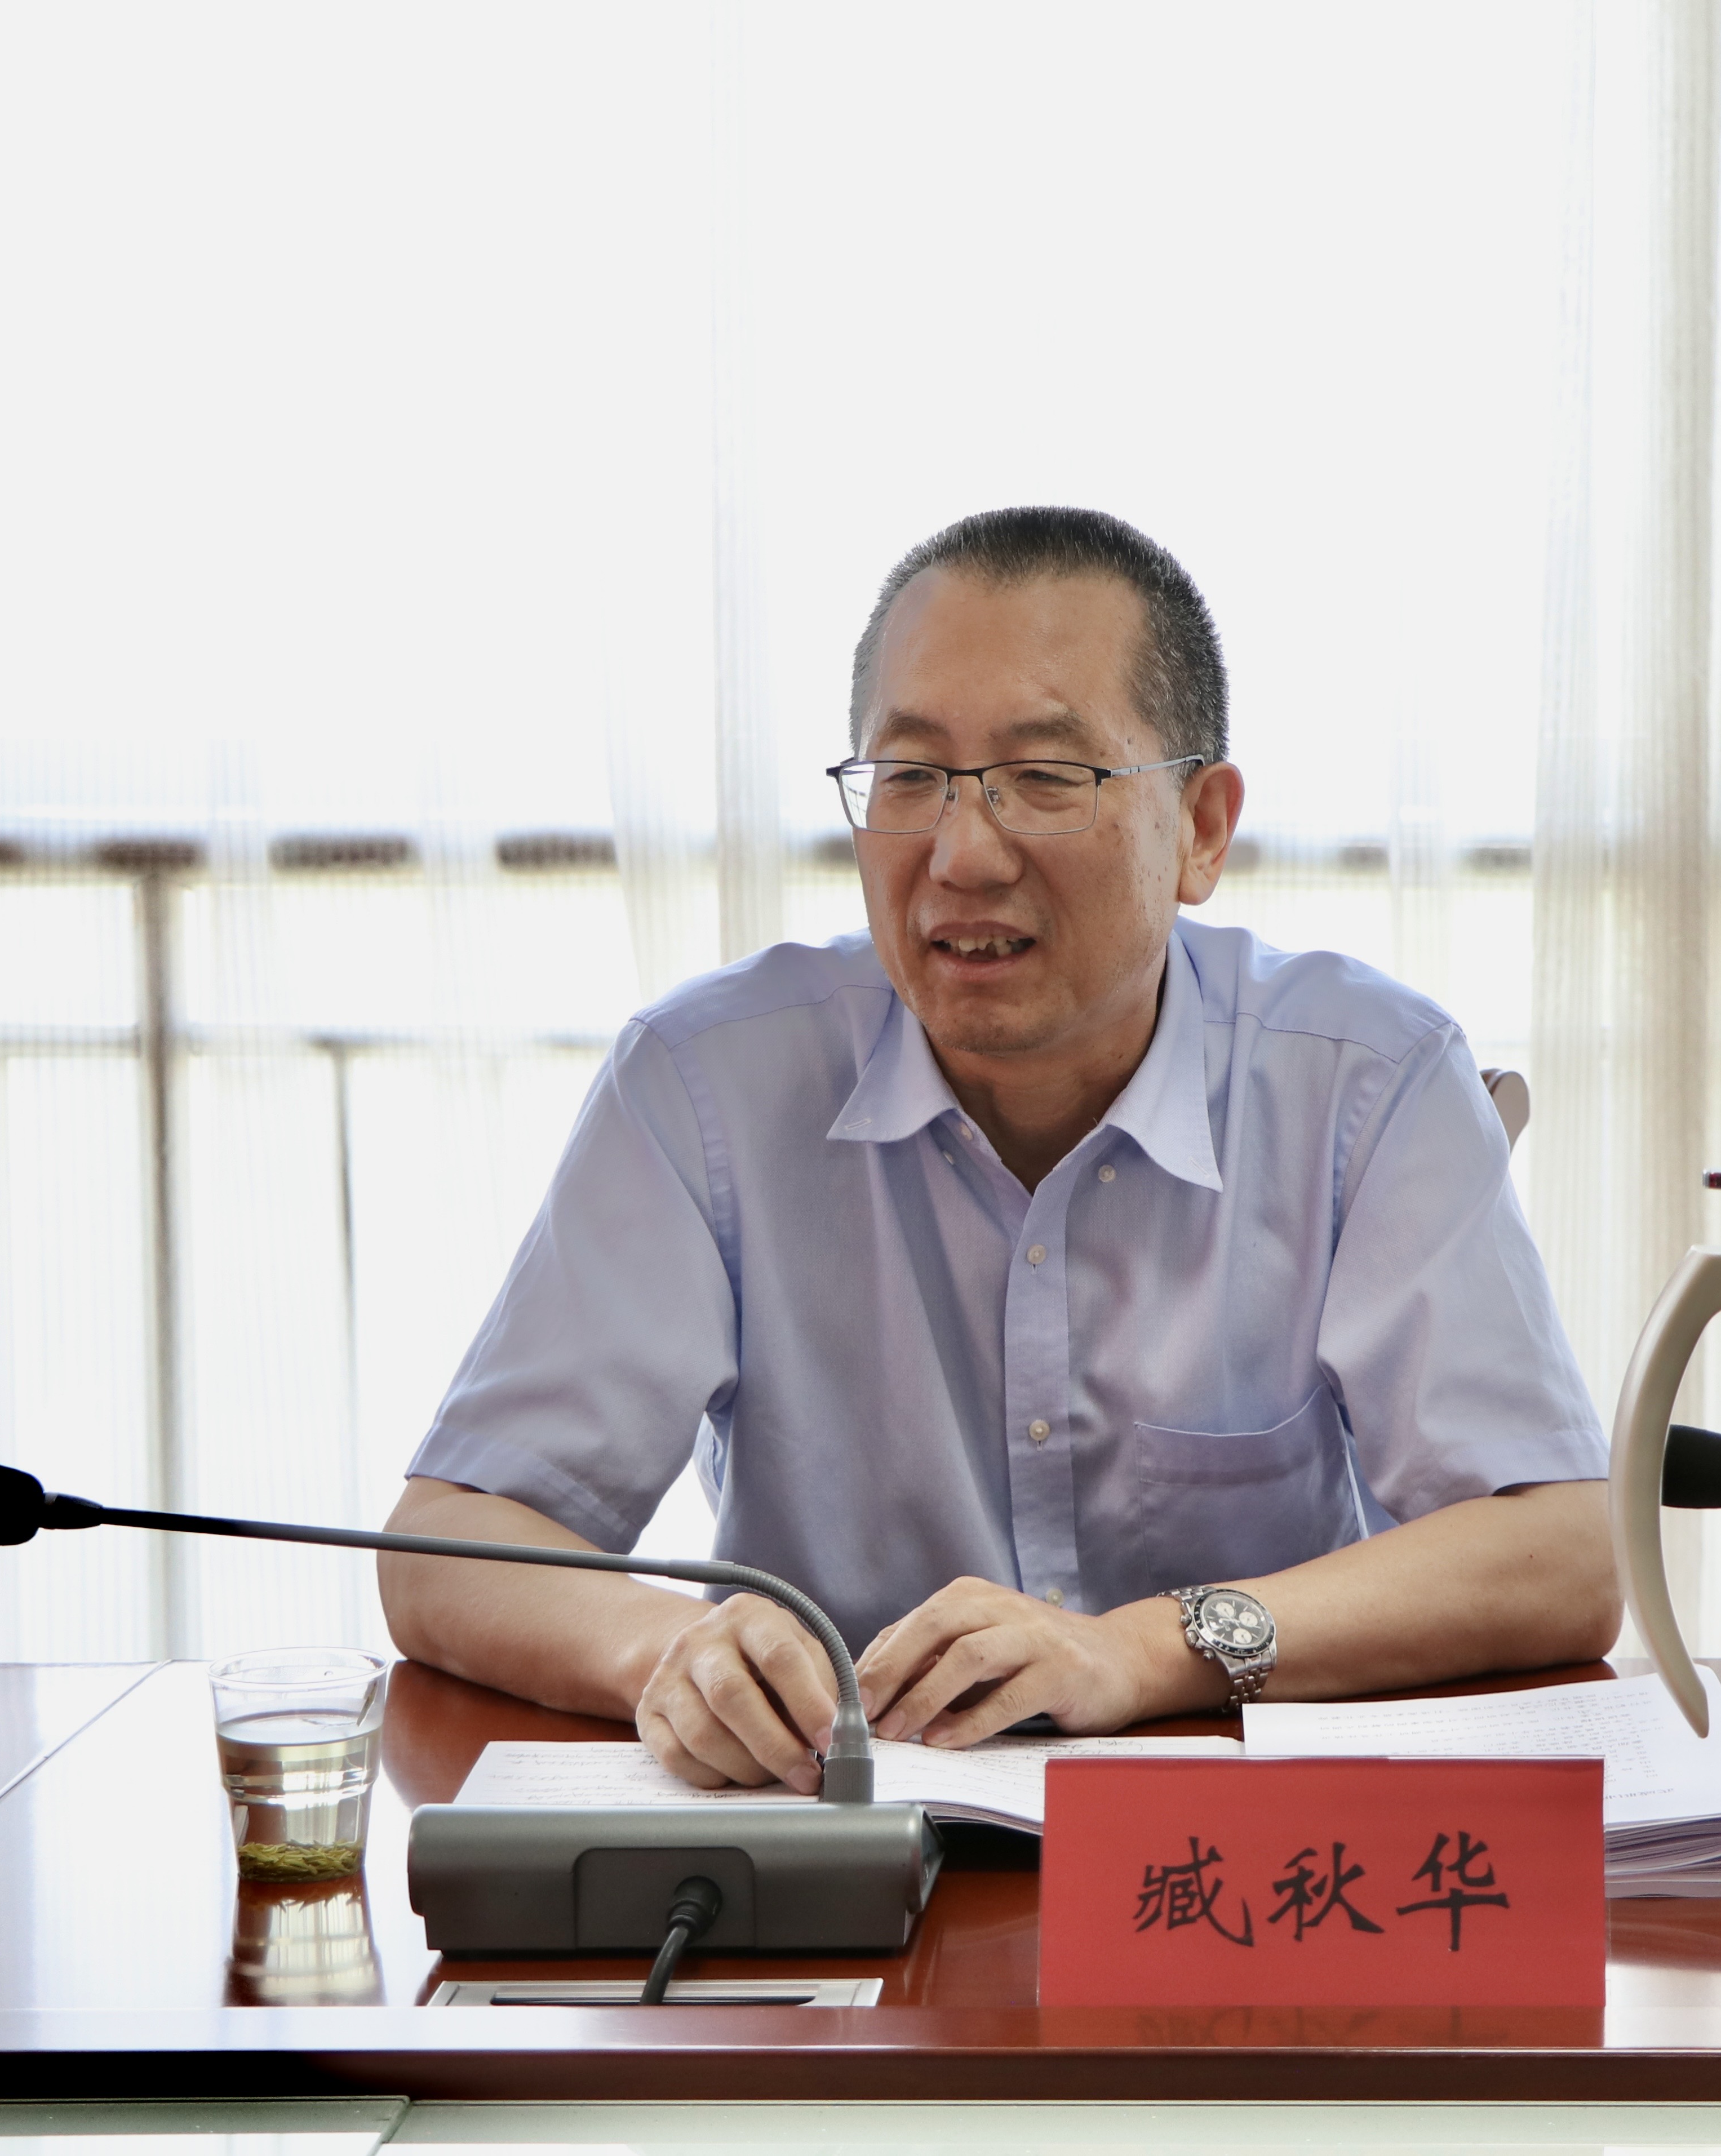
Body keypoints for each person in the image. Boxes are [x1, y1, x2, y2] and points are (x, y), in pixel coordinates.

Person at [382, 506, 1616, 1791]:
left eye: (1046, 778)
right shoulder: (707, 1085)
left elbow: (1558, 1553)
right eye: (911, 777)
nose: (962, 856)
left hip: (1231, 1854)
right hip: (848, 1840)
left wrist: (1140, 1652)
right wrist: (668, 1653)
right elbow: (446, 1541)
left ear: (1201, 828)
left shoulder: (1366, 1081)